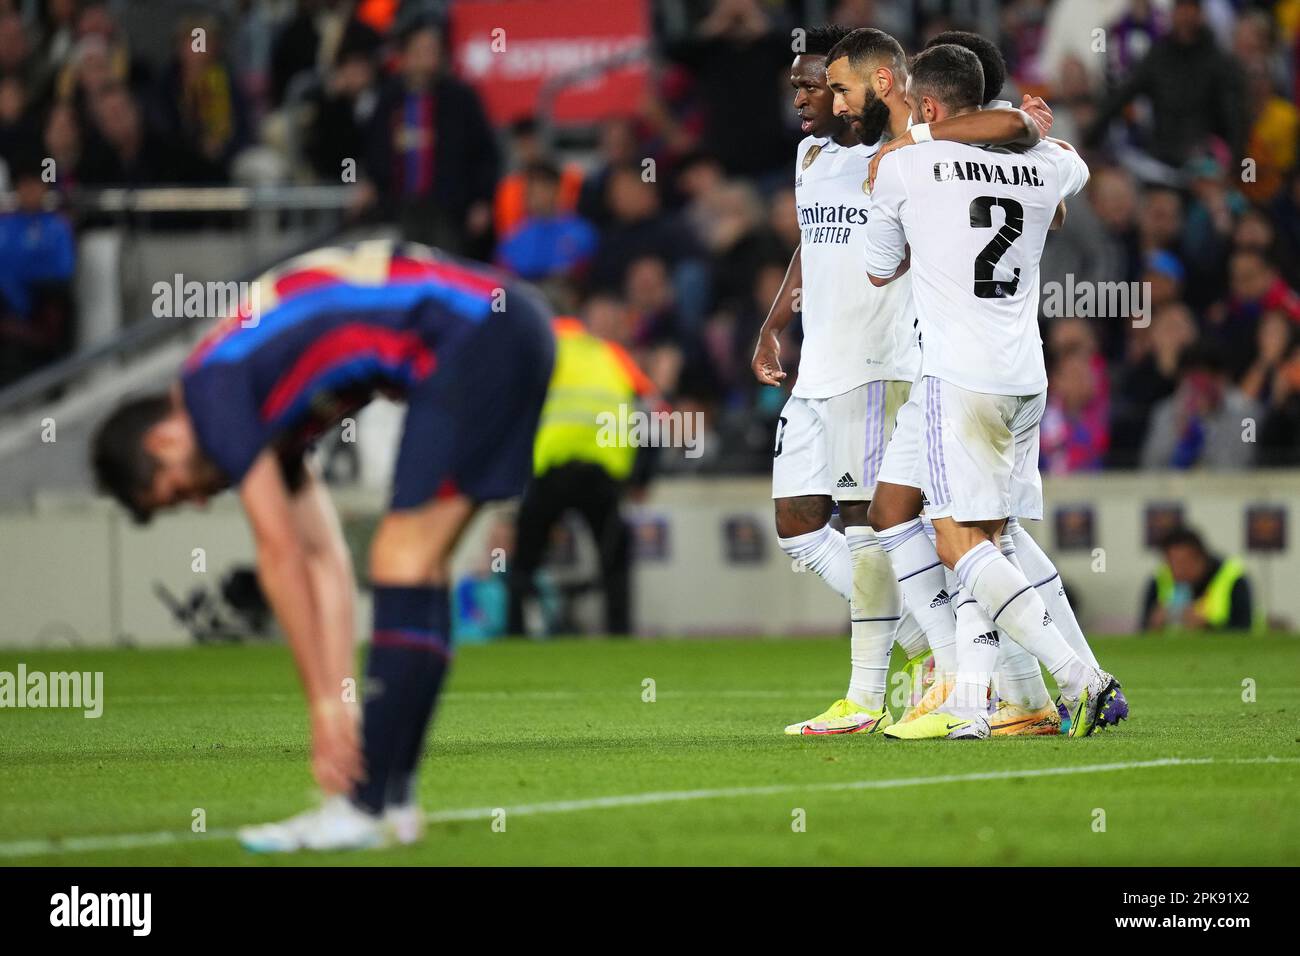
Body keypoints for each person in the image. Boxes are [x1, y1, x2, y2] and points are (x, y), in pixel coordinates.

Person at [90, 240, 554, 851]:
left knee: (403, 558)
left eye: (173, 492)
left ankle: (361, 810)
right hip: (507, 325)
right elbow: (323, 558)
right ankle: (390, 798)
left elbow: (278, 553)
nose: (197, 501)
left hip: (472, 337)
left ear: (163, 442)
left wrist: (324, 711)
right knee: (420, 565)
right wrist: (338, 698)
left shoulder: (210, 386)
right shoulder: (254, 400)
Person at [753, 26, 1057, 737]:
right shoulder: (812, 154)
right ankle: (936, 652)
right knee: (799, 524)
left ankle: (886, 691)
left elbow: (1016, 129)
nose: (808, 98)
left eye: (823, 87)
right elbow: (814, 237)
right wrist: (776, 320)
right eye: (807, 87)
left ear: (875, 84)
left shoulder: (921, 152)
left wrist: (918, 141)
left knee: (877, 525)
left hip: (883, 358)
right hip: (818, 363)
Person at [864, 42, 1126, 740]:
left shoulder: (904, 163)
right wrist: (1023, 125)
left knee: (956, 539)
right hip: (1023, 376)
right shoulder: (1048, 162)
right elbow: (1066, 160)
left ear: (925, 105)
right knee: (988, 537)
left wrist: (911, 158)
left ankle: (1082, 680)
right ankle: (975, 707)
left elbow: (880, 271)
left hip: (962, 375)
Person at [508, 312, 658, 637]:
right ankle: (619, 632)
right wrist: (642, 476)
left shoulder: (543, 350)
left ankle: (514, 631)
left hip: (551, 469)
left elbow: (512, 404)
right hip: (602, 473)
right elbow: (652, 411)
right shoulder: (613, 355)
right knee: (614, 558)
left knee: (524, 558)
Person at [1141, 526, 1257, 631]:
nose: (1177, 570)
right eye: (1171, 563)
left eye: (1183, 563)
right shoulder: (1160, 580)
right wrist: (1153, 624)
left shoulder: (1233, 578)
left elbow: (1244, 627)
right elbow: (1141, 628)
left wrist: (1207, 626)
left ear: (1201, 558)